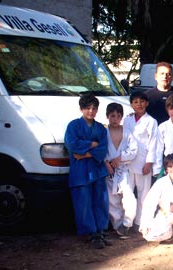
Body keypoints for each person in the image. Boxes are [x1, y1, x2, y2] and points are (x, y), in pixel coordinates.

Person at [64, 93, 111, 249]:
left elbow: (103, 147)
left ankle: (100, 231)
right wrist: (92, 144)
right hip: (80, 170)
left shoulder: (101, 128)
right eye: (87, 108)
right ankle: (90, 232)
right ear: (81, 109)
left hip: (97, 168)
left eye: (94, 108)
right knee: (83, 201)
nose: (91, 111)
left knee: (100, 200)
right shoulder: (73, 126)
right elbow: (72, 145)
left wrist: (85, 153)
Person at [123, 91, 158, 230]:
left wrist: (149, 162)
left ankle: (142, 222)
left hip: (143, 161)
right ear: (131, 105)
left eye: (142, 101)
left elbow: (154, 143)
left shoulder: (151, 121)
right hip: (128, 161)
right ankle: (127, 221)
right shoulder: (127, 119)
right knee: (128, 193)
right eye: (136, 102)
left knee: (144, 194)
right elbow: (124, 139)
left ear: (147, 103)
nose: (139, 104)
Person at [104, 102, 138, 238]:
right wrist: (106, 162)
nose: (115, 119)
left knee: (129, 196)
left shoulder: (127, 132)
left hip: (123, 169)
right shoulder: (104, 132)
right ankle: (118, 225)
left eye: (118, 116)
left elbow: (134, 150)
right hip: (109, 171)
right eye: (112, 116)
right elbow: (101, 150)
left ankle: (127, 223)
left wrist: (120, 158)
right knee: (112, 199)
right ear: (107, 116)